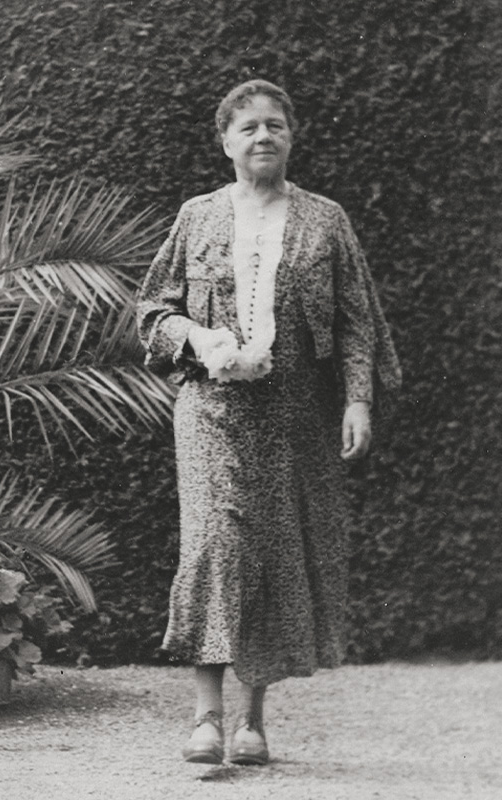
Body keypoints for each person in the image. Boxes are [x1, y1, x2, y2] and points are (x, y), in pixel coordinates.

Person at [136, 79, 401, 766]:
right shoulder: (197, 216)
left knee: (274, 554)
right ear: (225, 141)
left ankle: (251, 721)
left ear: (291, 137)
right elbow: (152, 310)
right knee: (215, 546)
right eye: (248, 126)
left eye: (274, 125)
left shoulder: (325, 220)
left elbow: (357, 320)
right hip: (211, 411)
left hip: (294, 416)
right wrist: (197, 337)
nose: (262, 136)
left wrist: (358, 399)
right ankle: (205, 718)